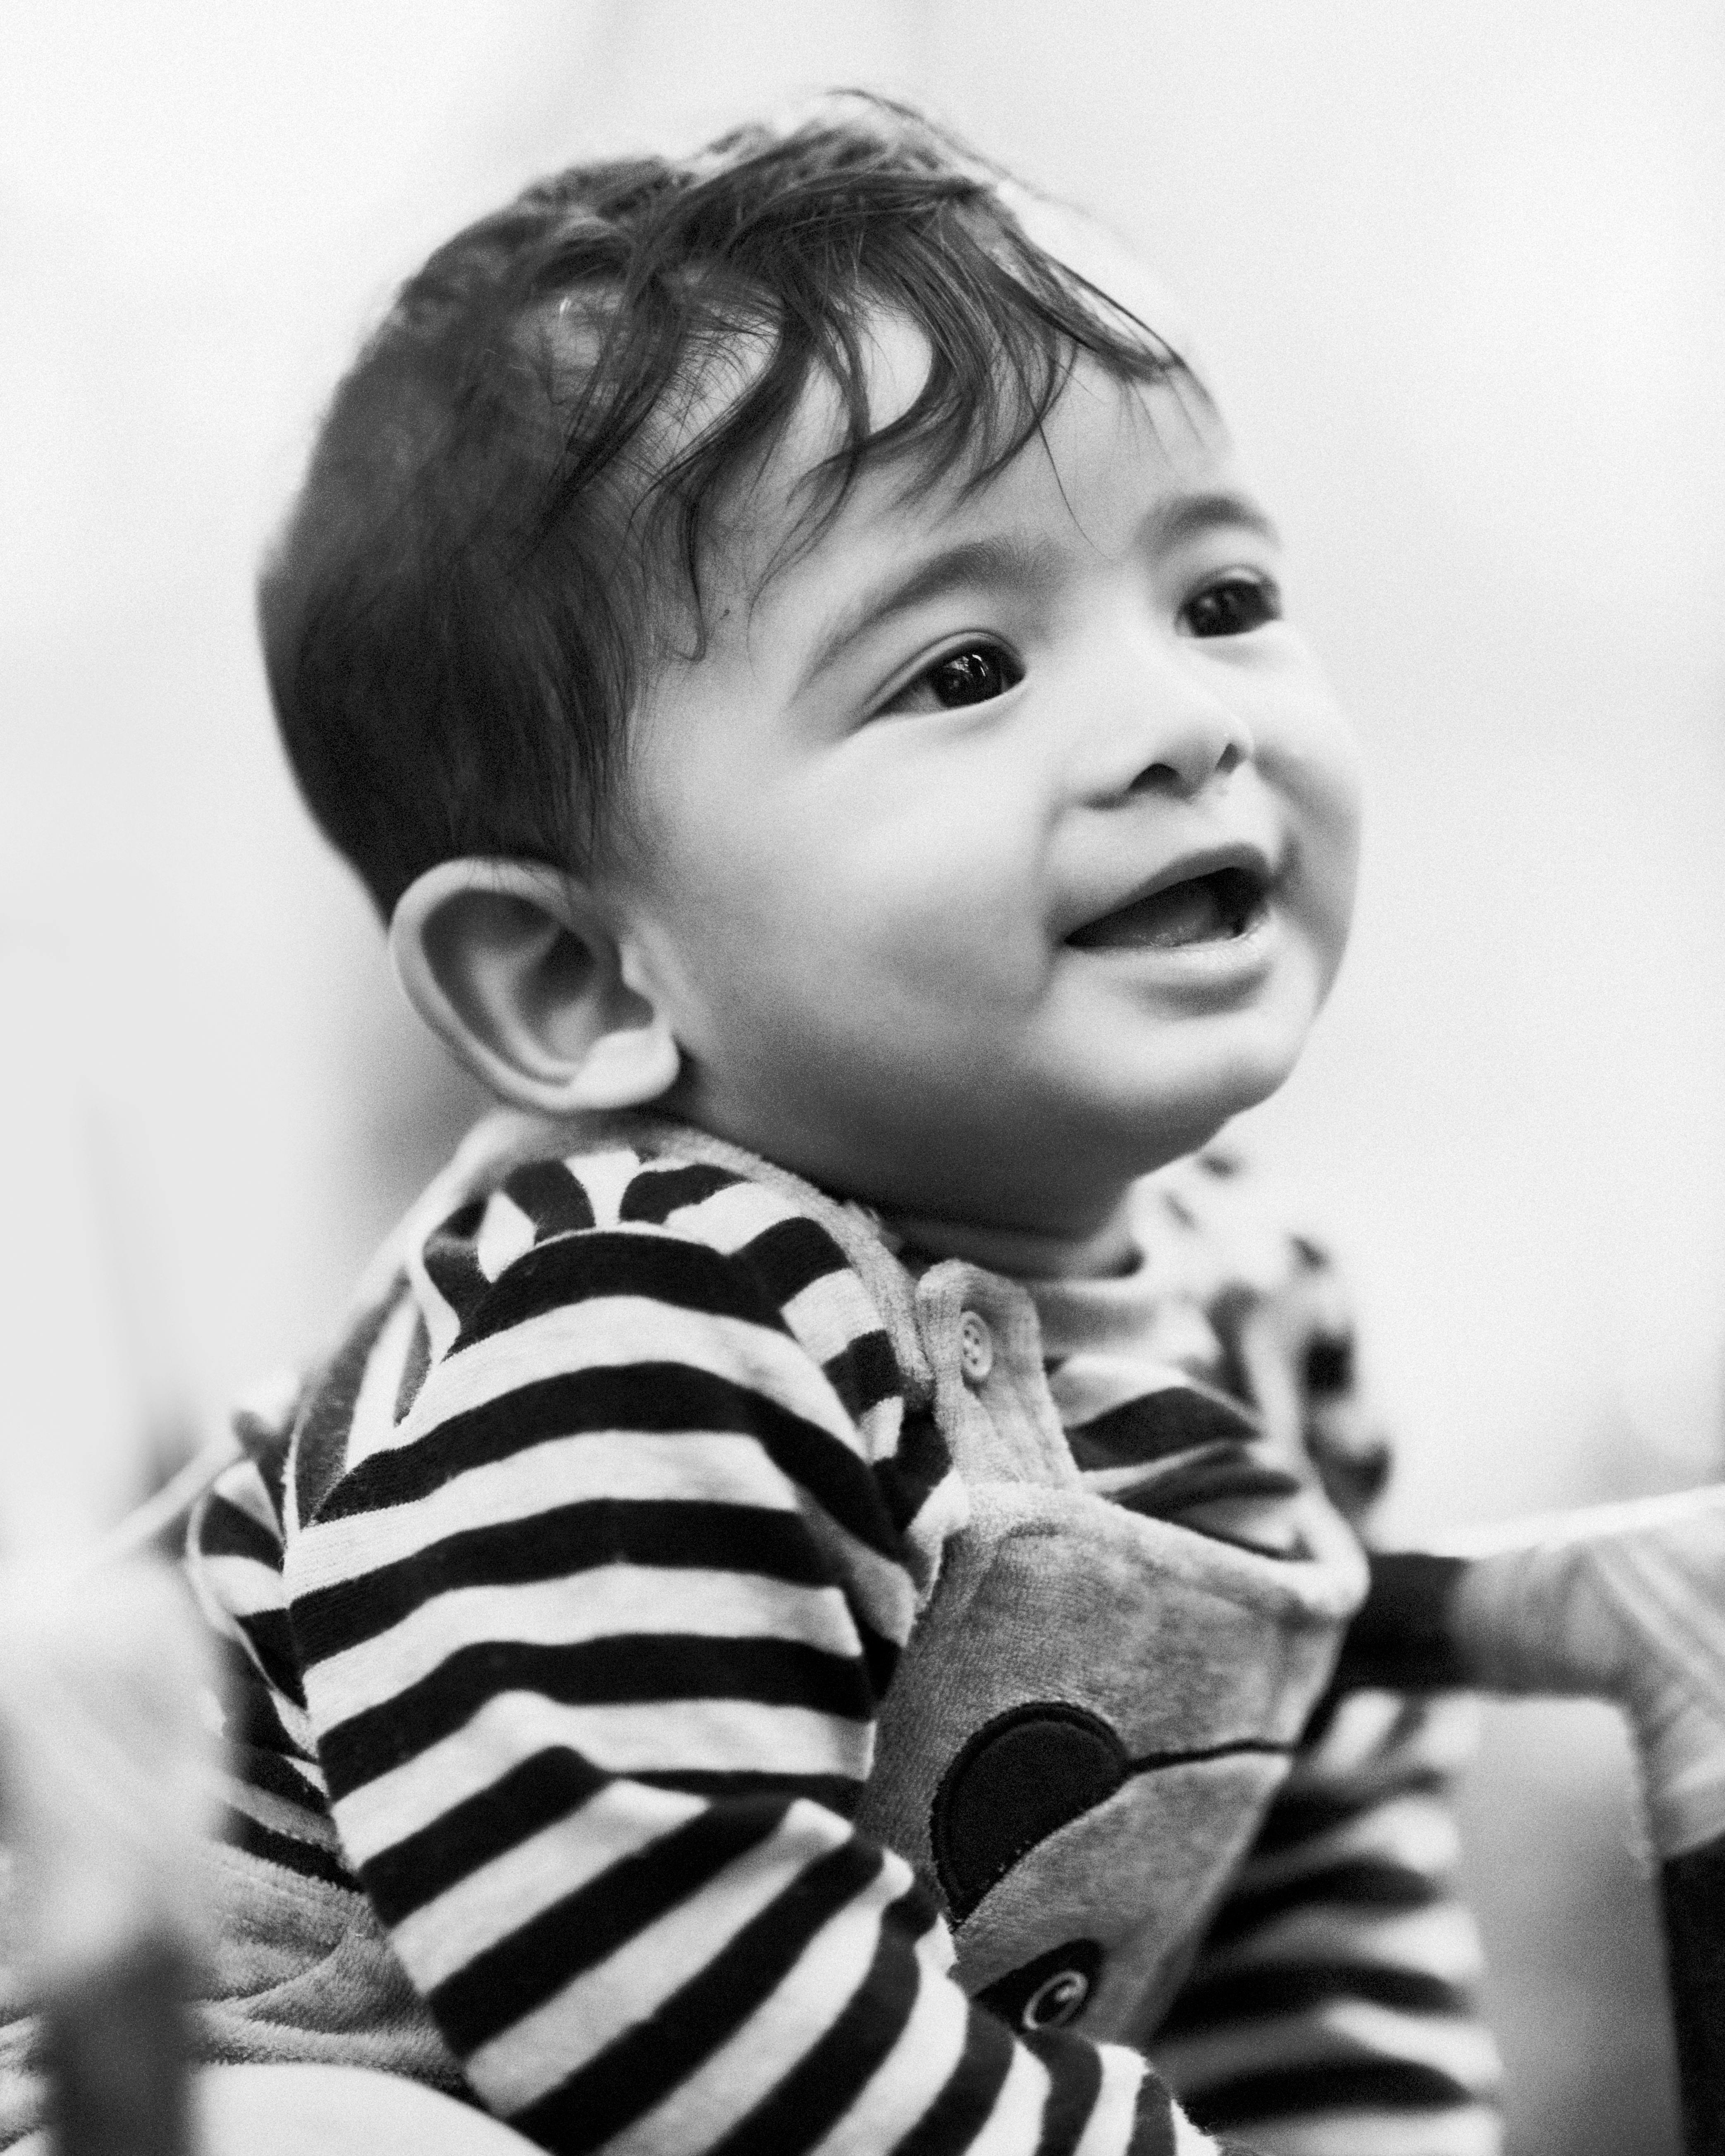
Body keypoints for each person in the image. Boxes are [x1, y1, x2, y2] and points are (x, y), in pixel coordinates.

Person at [157, 96, 1724, 2156]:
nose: (1182, 718)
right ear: (580, 982)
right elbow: (650, 1968)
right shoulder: (625, 1321)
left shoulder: (1257, 1319)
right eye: (965, 664)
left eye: (1224, 595)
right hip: (284, 2057)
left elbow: (1300, 1899)